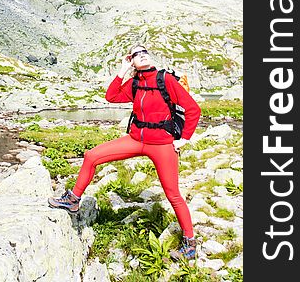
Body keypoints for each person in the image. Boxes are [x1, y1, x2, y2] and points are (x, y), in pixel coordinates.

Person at [48, 44, 201, 261]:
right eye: (136, 54)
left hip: (162, 145)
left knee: (173, 194)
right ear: (132, 62)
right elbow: (111, 96)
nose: (142, 55)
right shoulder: (134, 83)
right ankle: (73, 199)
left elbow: (193, 109)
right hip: (134, 139)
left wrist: (184, 139)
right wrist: (122, 70)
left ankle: (190, 244)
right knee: (91, 156)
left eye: (145, 52)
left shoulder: (165, 79)